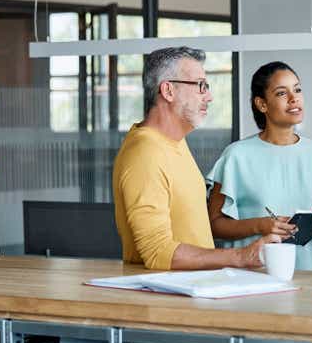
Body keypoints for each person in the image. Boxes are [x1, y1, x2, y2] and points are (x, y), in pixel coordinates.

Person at [112, 47, 279, 270]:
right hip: (167, 300)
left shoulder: (175, 141)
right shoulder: (145, 153)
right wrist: (241, 256)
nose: (208, 96)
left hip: (194, 292)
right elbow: (157, 252)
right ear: (168, 91)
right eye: (200, 85)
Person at [206, 61, 312, 270]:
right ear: (261, 104)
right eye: (282, 93)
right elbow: (214, 225)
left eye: (297, 89)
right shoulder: (236, 155)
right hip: (248, 277)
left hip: (303, 275)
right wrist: (260, 225)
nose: (294, 98)